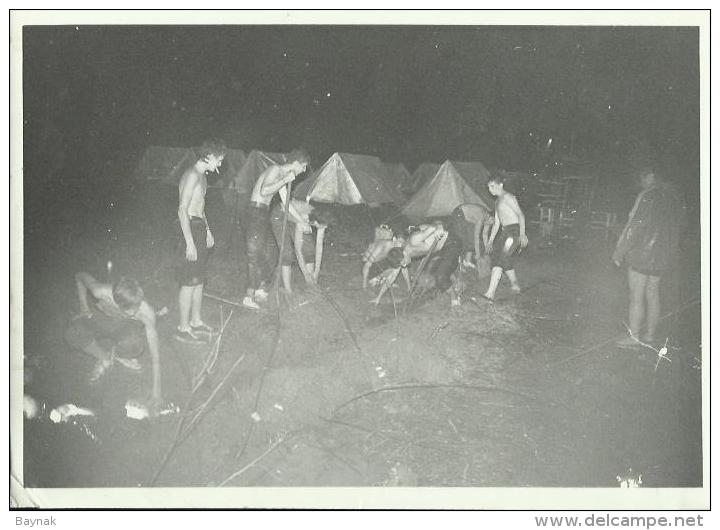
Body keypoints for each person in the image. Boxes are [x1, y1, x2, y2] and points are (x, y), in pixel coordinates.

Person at [65, 274, 163, 415]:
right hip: (102, 317)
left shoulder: (146, 312)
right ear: (119, 303)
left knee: (134, 344)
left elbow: (156, 355)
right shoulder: (99, 291)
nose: (138, 310)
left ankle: (120, 355)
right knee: (72, 333)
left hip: (124, 325)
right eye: (133, 308)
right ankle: (104, 357)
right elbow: (79, 276)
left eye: (139, 304)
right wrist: (84, 306)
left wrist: (156, 392)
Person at [612, 167, 684, 347]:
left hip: (642, 254)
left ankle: (634, 337)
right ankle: (650, 335)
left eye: (643, 177)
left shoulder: (647, 196)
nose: (641, 181)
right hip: (663, 255)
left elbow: (635, 225)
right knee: (653, 293)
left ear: (651, 176)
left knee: (636, 295)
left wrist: (620, 250)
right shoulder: (674, 197)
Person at [243, 149, 310, 309]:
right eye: (304, 166)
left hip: (262, 214)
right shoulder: (275, 170)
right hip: (255, 213)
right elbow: (264, 191)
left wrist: (301, 221)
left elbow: (285, 203)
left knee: (273, 254)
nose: (304, 170)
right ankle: (248, 297)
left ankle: (260, 290)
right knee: (255, 256)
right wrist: (285, 179)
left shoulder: (281, 176)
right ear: (296, 163)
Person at [176, 139, 226, 343]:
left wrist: (208, 231)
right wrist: (189, 242)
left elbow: (200, 208)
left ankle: (195, 321)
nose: (220, 165)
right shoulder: (191, 175)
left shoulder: (203, 176)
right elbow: (182, 209)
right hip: (187, 228)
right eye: (219, 160)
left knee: (199, 280)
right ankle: (182, 328)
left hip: (198, 227)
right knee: (189, 283)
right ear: (209, 156)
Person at [270, 198, 335, 294]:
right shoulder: (304, 218)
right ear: (316, 222)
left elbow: (319, 246)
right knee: (287, 252)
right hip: (279, 215)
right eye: (322, 226)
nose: (323, 229)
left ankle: (311, 285)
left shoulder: (320, 219)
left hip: (294, 218)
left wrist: (316, 273)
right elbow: (298, 249)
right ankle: (288, 291)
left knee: (309, 249)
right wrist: (306, 274)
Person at [482, 174, 528, 300]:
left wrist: (522, 234)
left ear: (500, 185)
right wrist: (490, 240)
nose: (490, 190)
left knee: (501, 259)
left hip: (514, 232)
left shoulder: (508, 197)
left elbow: (520, 215)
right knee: (501, 258)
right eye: (489, 187)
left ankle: (490, 293)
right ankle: (515, 284)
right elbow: (497, 223)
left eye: (492, 186)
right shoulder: (497, 201)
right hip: (505, 232)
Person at [450, 203, 494, 272]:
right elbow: (476, 237)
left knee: (471, 239)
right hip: (459, 213)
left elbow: (485, 235)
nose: (491, 224)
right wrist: (478, 255)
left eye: (493, 223)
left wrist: (487, 249)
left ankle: (467, 261)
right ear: (488, 216)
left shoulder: (488, 220)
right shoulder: (481, 216)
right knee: (463, 240)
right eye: (491, 221)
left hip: (468, 219)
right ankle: (459, 264)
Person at [361, 226, 406, 290]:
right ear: (394, 239)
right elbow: (367, 264)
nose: (400, 245)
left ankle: (379, 279)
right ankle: (373, 279)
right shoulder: (383, 245)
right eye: (399, 242)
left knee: (397, 265)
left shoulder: (395, 248)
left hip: (378, 264)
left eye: (402, 243)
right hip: (366, 266)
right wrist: (364, 284)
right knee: (393, 264)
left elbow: (403, 265)